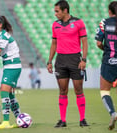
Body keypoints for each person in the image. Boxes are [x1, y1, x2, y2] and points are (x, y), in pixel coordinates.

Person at [47, 0, 89, 128]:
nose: (55, 14)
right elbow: (54, 44)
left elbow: (85, 42)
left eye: (57, 11)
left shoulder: (78, 22)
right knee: (62, 90)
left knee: (78, 89)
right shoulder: (55, 25)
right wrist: (49, 61)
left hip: (75, 60)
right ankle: (62, 120)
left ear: (65, 10)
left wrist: (84, 60)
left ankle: (82, 119)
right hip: (60, 61)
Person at [95, 1, 117, 130]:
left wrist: (106, 49)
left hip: (109, 61)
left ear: (109, 11)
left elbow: (98, 43)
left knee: (105, 91)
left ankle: (113, 113)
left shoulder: (104, 23)